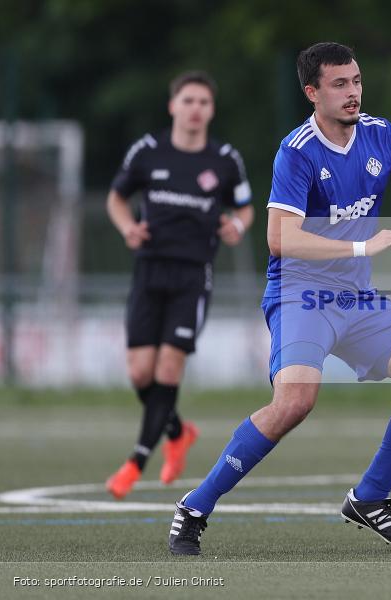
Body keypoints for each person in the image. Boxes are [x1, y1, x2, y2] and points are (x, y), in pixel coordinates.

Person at [167, 42, 391, 555]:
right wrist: (360, 244)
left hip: (357, 298)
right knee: (294, 403)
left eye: (356, 81)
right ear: (312, 92)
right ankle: (194, 507)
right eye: (339, 84)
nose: (353, 93)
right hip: (301, 295)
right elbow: (279, 237)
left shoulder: (383, 136)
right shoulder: (297, 150)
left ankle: (370, 497)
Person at [105, 71, 254, 499]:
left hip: (193, 275)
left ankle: (134, 463)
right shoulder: (148, 151)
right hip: (149, 270)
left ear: (211, 109)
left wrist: (237, 227)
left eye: (203, 102)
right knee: (140, 373)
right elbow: (116, 198)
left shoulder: (225, 159)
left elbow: (245, 210)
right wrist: (126, 227)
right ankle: (178, 431)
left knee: (168, 369)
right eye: (188, 100)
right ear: (173, 105)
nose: (195, 109)